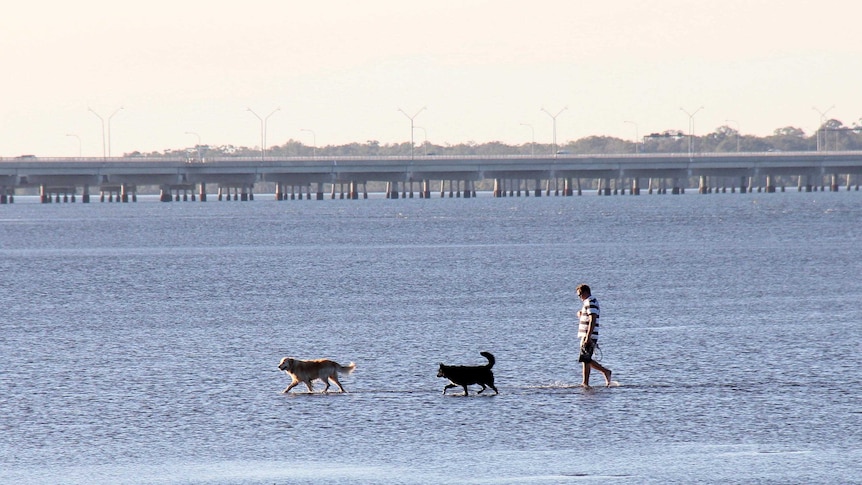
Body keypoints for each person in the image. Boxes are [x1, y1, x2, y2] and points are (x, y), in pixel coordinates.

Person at [576, 284, 613, 387]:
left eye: (580, 295)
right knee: (585, 358)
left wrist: (588, 336)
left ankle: (586, 383)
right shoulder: (589, 303)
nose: (579, 297)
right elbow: (588, 316)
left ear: (585, 292)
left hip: (589, 335)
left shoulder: (590, 302)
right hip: (586, 335)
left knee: (585, 359)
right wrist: (581, 314)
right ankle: (605, 372)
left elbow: (593, 318)